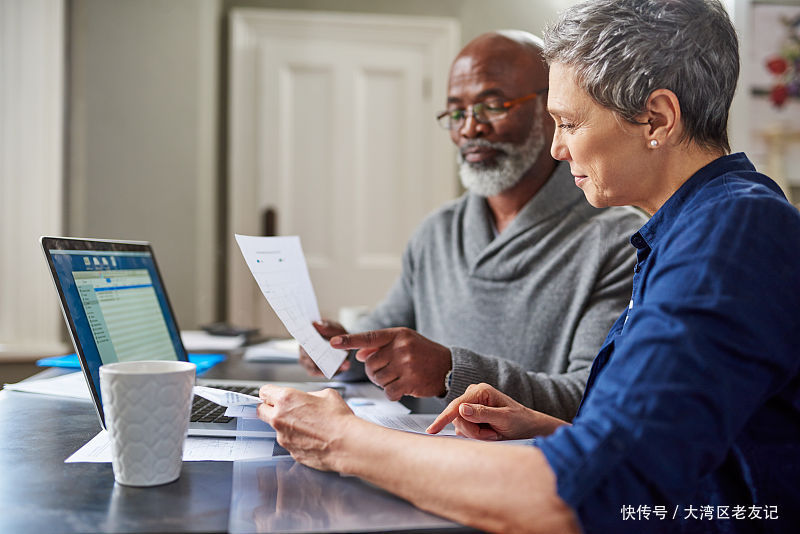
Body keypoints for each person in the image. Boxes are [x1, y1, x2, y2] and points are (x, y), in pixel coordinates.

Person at [258, 1, 800, 532]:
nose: (559, 148)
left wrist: (343, 441)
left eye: (567, 122)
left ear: (656, 118)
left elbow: (588, 492)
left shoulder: (728, 236)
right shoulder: (689, 228)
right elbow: (663, 446)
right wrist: (548, 428)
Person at [301, 30, 645, 420]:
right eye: (456, 112)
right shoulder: (438, 232)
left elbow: (591, 394)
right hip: (417, 455)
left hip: (524, 471)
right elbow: (383, 340)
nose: (469, 129)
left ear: (551, 109)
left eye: (492, 105)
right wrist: (341, 348)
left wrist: (452, 372)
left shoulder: (619, 241)